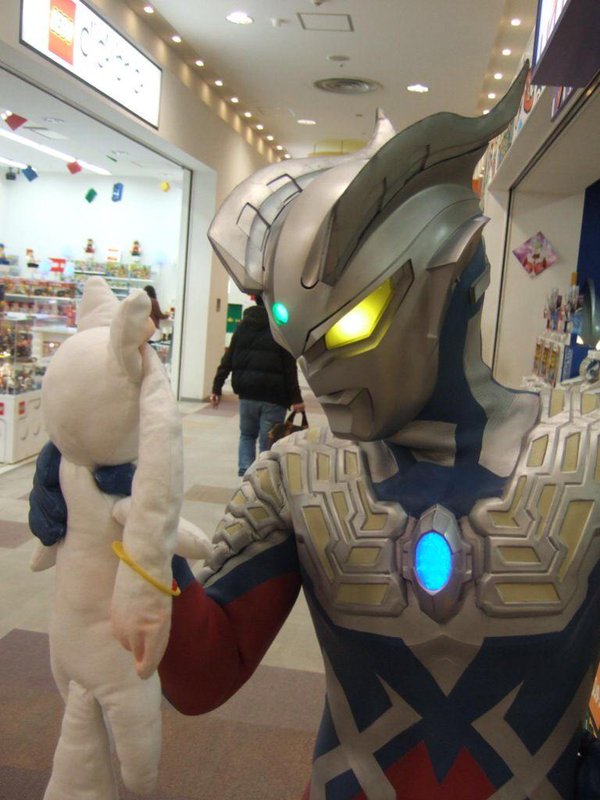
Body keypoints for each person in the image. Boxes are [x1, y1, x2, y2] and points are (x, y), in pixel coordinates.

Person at [30, 67, 600, 799]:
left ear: (452, 280)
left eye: (351, 326)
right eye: (299, 341)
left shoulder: (582, 453)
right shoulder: (297, 474)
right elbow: (201, 677)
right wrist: (131, 514)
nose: (318, 371)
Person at [210, 295, 305, 476]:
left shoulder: (243, 326)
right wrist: (296, 398)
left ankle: (246, 475)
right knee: (268, 441)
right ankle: (263, 477)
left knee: (247, 435)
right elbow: (289, 368)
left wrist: (217, 387)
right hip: (274, 396)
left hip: (248, 394)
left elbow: (228, 359)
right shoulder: (280, 329)